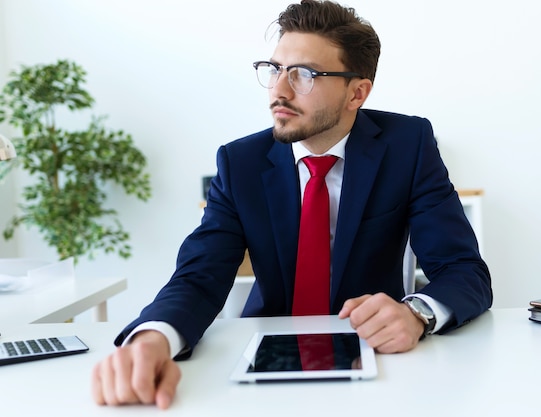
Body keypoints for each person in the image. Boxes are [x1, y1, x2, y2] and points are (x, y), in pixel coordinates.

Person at [92, 0, 492, 409]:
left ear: (357, 92)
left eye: (304, 74)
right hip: (264, 352)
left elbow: (464, 270)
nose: (279, 91)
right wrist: (154, 337)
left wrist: (417, 314)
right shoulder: (240, 162)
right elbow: (199, 276)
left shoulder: (407, 146)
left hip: (377, 357)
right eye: (274, 69)